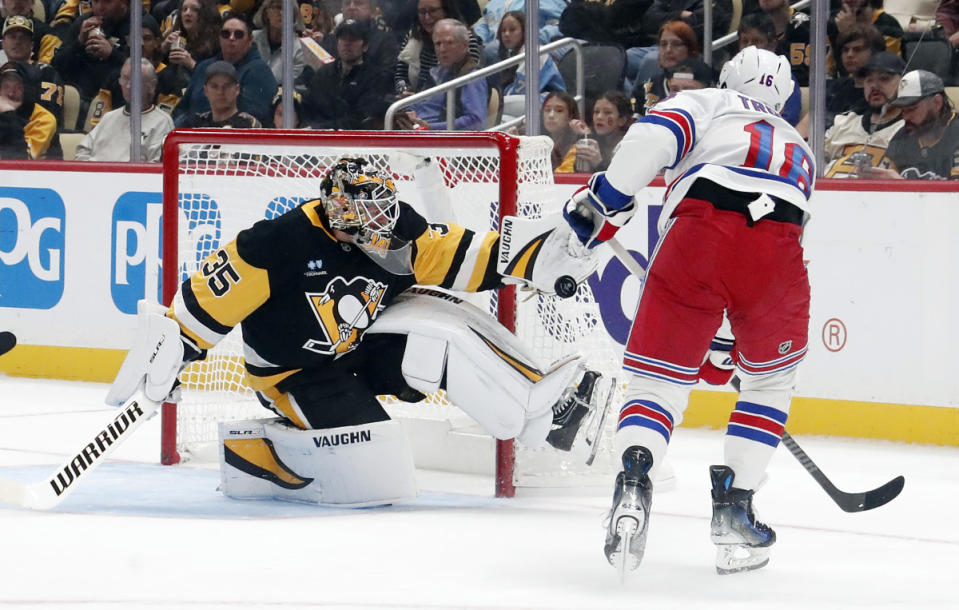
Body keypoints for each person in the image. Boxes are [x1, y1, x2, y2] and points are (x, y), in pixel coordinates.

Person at [106, 156, 604, 506]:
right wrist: (174, 352)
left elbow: (467, 256)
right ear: (336, 208)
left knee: (442, 325)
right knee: (376, 476)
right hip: (295, 374)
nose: (379, 221)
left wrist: (538, 258)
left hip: (361, 346)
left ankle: (546, 414)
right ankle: (258, 450)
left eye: (381, 207)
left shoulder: (400, 231)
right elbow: (205, 302)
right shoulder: (277, 243)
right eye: (364, 212)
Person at [562, 46, 814, 574]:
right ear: (784, 97)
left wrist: (607, 199)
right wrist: (730, 341)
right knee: (767, 386)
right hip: (779, 249)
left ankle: (633, 484)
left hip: (698, 235)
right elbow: (764, 243)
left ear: (728, 77)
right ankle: (737, 508)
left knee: (657, 386)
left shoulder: (707, 101)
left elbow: (654, 138)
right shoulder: (800, 146)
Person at [173, 15, 278, 126]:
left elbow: (258, 116)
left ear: (250, 40)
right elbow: (182, 108)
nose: (231, 38)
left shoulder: (260, 71)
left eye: (238, 34)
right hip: (195, 134)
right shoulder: (203, 67)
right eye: (225, 34)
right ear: (219, 38)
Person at [298, 18, 392, 129]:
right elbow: (308, 105)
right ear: (337, 44)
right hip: (318, 139)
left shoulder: (375, 78)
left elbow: (359, 120)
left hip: (353, 142)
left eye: (353, 39)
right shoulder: (324, 73)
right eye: (343, 38)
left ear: (365, 46)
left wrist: (319, 128)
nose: (347, 43)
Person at [823, 51, 905, 177]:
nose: (874, 86)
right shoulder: (844, 123)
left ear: (904, 83)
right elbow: (809, 159)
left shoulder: (910, 130)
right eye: (869, 80)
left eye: (884, 79)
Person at [74, 58, 174, 161]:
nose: (128, 86)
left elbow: (156, 167)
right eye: (125, 79)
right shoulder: (109, 117)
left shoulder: (162, 122)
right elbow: (82, 151)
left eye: (136, 80)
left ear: (151, 85)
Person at [400, 18, 487, 130]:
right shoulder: (436, 72)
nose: (442, 49)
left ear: (464, 46)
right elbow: (424, 104)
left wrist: (431, 128)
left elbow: (476, 121)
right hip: (416, 130)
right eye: (438, 43)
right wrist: (410, 111)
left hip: (439, 139)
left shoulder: (471, 76)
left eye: (449, 43)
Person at [50, 0, 131, 117]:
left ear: (125, 3)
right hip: (77, 97)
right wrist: (78, 42)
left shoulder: (138, 26)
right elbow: (56, 66)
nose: (100, 7)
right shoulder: (83, 22)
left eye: (107, 2)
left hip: (116, 102)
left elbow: (146, 71)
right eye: (96, 1)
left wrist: (112, 54)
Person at [874, 69, 959, 178]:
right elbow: (885, 177)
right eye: (903, 110)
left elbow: (955, 192)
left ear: (937, 103)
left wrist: (901, 186)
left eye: (912, 109)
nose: (905, 117)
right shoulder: (901, 138)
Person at [393, 0, 482, 97]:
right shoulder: (413, 36)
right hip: (413, 103)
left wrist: (420, 101)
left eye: (433, 11)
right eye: (422, 12)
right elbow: (400, 76)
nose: (427, 17)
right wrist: (404, 90)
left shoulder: (465, 38)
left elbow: (464, 83)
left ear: (446, 10)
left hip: (446, 104)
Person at [735, 14, 801, 126]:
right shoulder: (731, 74)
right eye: (744, 41)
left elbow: (788, 121)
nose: (749, 48)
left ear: (772, 45)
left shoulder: (786, 78)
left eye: (756, 41)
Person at [631, 20, 701, 117]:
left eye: (676, 44)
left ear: (691, 49)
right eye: (663, 44)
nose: (668, 50)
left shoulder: (706, 85)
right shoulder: (647, 87)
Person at [320, 0, 398, 75]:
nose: (351, 7)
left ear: (372, 10)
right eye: (347, 3)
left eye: (358, 3)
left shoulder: (385, 41)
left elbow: (387, 77)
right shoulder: (331, 39)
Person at [178, 59, 261, 127]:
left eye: (227, 86)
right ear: (205, 90)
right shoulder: (194, 124)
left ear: (237, 89)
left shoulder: (248, 124)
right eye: (214, 86)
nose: (220, 92)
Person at [0, 59, 56, 158]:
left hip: (32, 172)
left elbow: (21, 158)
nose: (11, 93)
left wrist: (8, 113)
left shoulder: (43, 119)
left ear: (28, 90)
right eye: (6, 87)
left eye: (19, 88)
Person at [573, 90, 631, 173]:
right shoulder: (591, 140)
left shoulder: (630, 146)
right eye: (596, 112)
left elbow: (622, 180)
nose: (599, 117)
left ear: (621, 120)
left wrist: (599, 163)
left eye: (607, 112)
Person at [252, 0, 306, 82]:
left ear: (293, 17)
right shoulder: (251, 39)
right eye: (277, 7)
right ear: (266, 12)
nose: (281, 13)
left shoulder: (299, 49)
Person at [0, 0, 62, 65]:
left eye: (24, 38)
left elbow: (46, 70)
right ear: (3, 2)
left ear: (32, 2)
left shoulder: (47, 34)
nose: (18, 1)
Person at [541, 90, 581, 171]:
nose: (551, 115)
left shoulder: (578, 147)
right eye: (547, 110)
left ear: (571, 116)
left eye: (559, 110)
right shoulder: (537, 143)